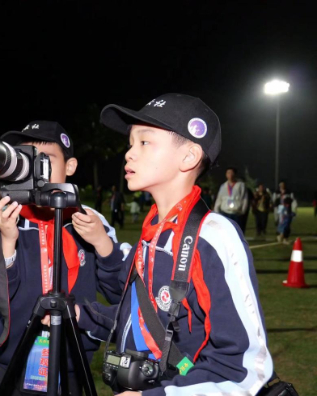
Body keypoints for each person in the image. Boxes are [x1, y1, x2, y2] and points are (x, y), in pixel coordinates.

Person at [78, 94, 272, 395]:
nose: (129, 153)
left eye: (144, 142)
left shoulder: (213, 237)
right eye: (131, 143)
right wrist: (80, 314)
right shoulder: (152, 233)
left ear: (189, 156)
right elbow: (135, 317)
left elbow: (243, 370)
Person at [0, 121, 130, 396]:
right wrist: (8, 242)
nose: (35, 167)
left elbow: (121, 294)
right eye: (27, 158)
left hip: (71, 364)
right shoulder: (4, 220)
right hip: (11, 363)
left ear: (69, 167)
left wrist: (102, 243)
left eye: (45, 159)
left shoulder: (89, 220)